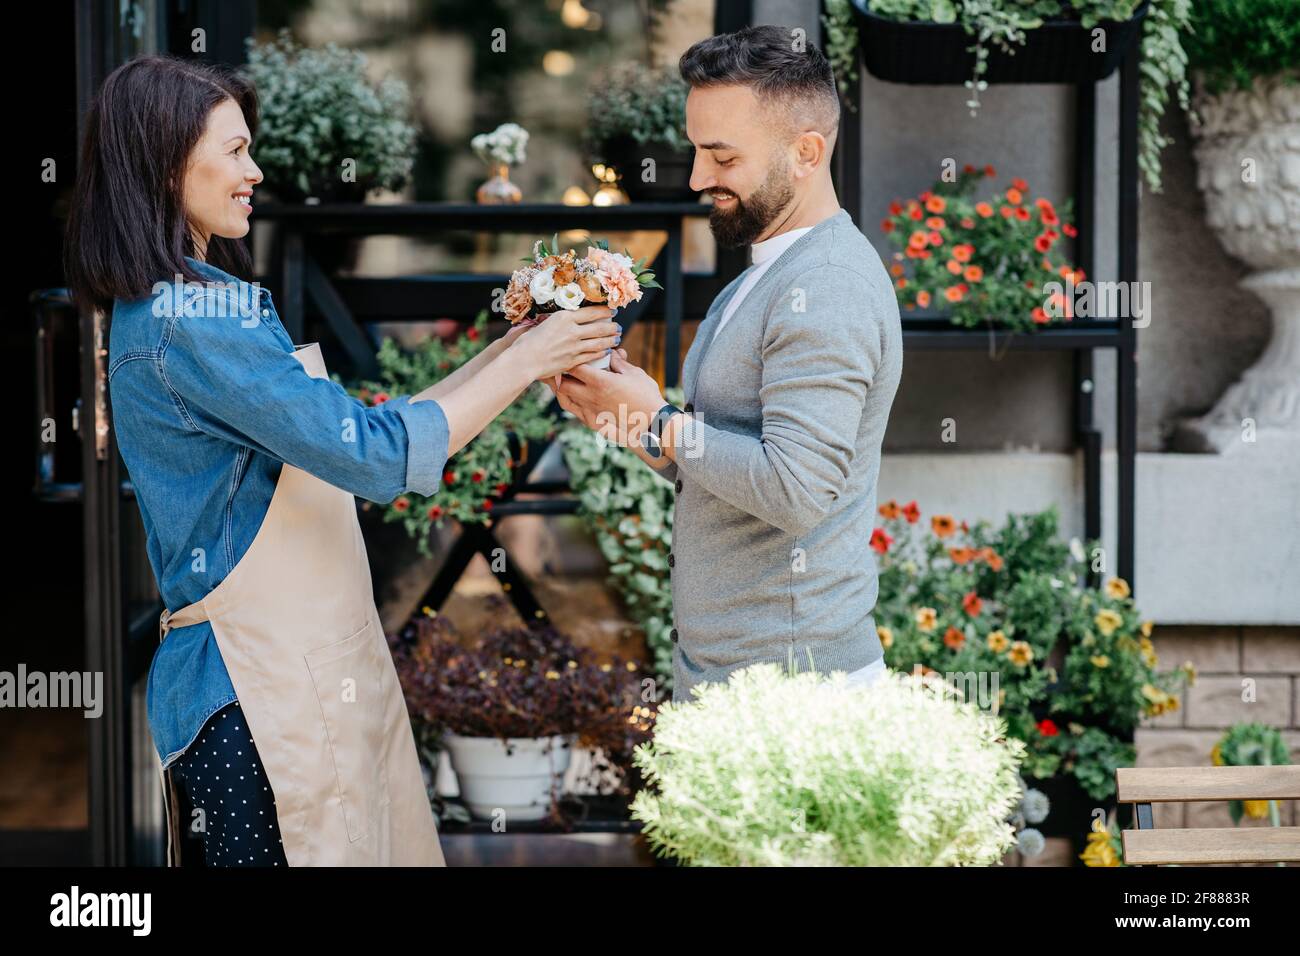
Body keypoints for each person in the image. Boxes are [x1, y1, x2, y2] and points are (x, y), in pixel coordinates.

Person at [63, 53, 620, 865]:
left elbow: (362, 427)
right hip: (256, 701)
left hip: (284, 685)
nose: (255, 172)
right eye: (235, 150)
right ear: (163, 160)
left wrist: (513, 349)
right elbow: (379, 459)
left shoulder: (181, 304)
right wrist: (527, 365)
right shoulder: (194, 322)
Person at [555, 26, 904, 703]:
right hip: (741, 681)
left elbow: (797, 491)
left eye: (721, 155)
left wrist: (657, 419)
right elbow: (725, 466)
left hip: (792, 695)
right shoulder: (772, 271)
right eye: (694, 150)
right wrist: (624, 415)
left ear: (806, 153)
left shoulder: (827, 286)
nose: (695, 177)